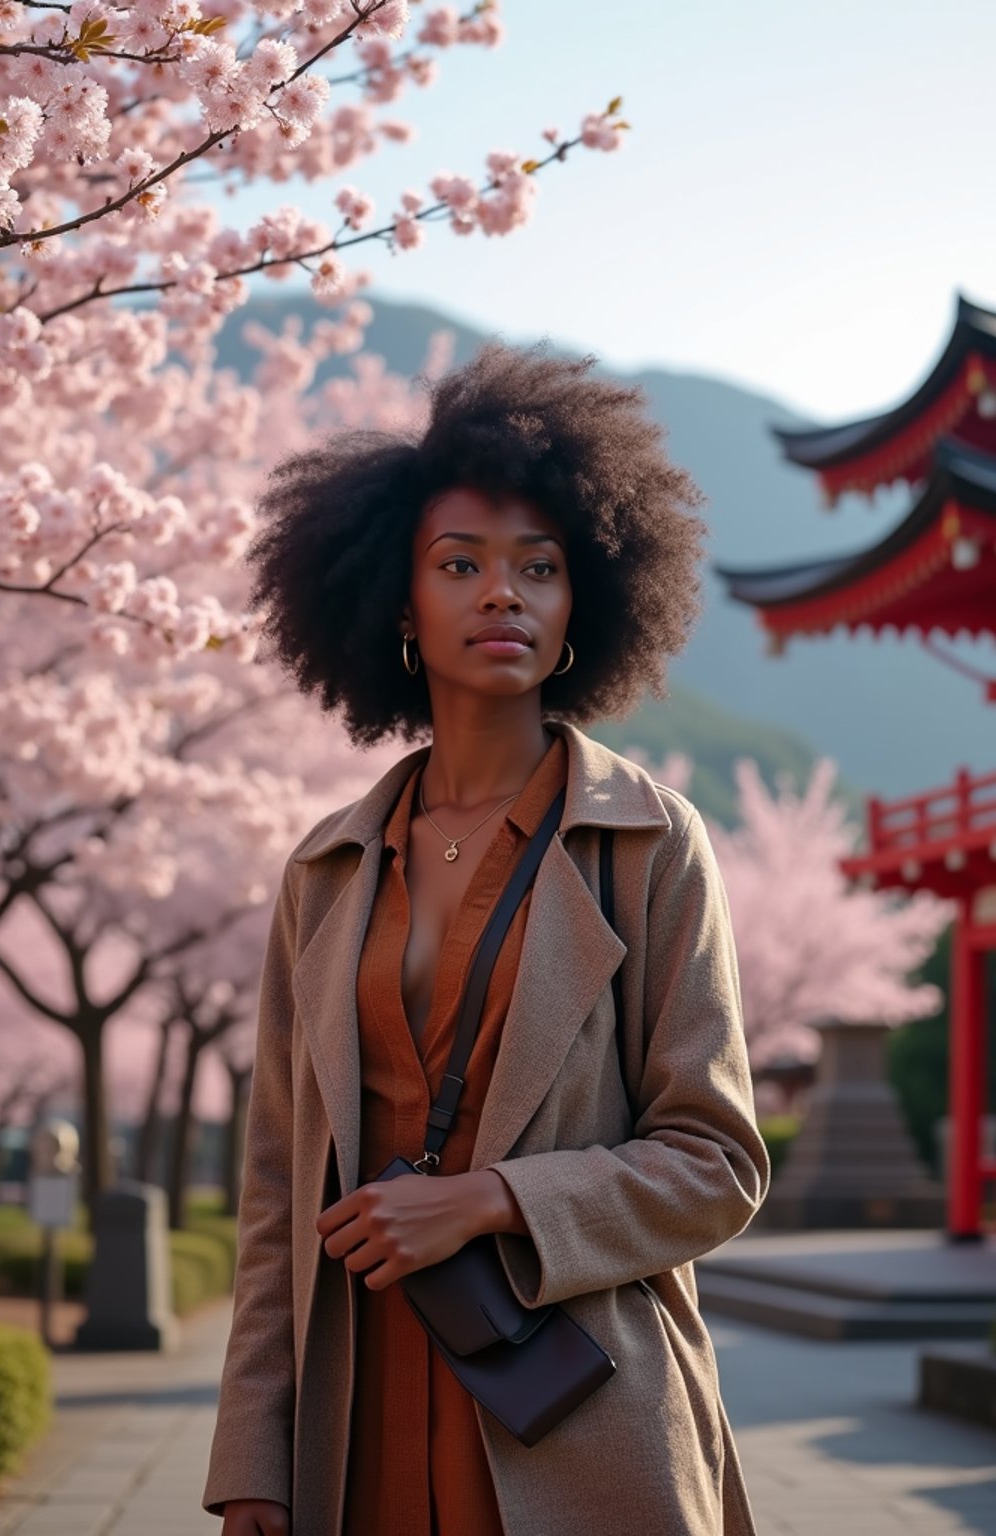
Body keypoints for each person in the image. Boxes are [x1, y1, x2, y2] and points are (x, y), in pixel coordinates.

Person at [202, 343, 770, 1536]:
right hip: (353, 1413)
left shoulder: (648, 844)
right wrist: (255, 1450)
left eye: (538, 568)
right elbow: (275, 1185)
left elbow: (717, 1165)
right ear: (396, 603)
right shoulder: (325, 869)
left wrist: (494, 1201)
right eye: (457, 564)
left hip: (572, 1403)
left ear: (583, 608)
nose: (500, 592)